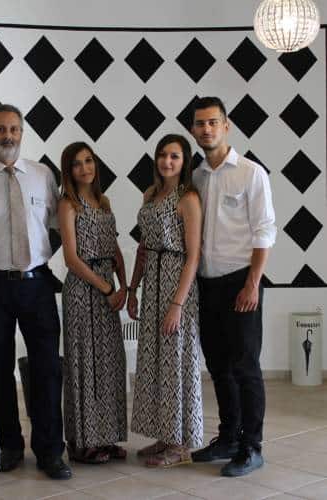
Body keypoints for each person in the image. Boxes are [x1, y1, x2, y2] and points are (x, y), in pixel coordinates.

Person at [0, 104, 71, 480]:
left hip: (37, 284)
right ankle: (9, 445)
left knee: (47, 369)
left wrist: (39, 259)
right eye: (0, 129)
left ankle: (50, 451)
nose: (7, 136)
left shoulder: (43, 175)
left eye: (13, 129)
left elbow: (58, 226)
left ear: (22, 132)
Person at [190, 96, 276, 477]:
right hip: (207, 285)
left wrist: (253, 284)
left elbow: (265, 231)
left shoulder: (251, 173)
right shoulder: (196, 177)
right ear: (193, 130)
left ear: (226, 126)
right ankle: (228, 437)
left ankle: (252, 447)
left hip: (241, 282)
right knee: (218, 367)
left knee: (245, 367)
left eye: (213, 122)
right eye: (200, 123)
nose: (206, 129)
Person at [127, 134, 203, 467]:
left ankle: (180, 444)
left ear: (184, 161)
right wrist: (133, 288)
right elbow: (144, 247)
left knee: (175, 360)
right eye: (162, 155)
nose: (167, 161)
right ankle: (164, 433)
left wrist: (177, 305)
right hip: (152, 283)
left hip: (176, 283)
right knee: (155, 360)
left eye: (174, 156)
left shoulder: (188, 198)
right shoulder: (150, 194)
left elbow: (193, 255)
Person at [58, 142, 128, 464]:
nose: (85, 168)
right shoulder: (68, 205)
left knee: (109, 364)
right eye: (77, 164)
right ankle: (82, 442)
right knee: (84, 366)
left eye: (88, 161)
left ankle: (106, 436)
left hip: (108, 288)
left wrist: (125, 286)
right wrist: (106, 288)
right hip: (83, 291)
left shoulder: (104, 201)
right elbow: (71, 258)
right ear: (68, 170)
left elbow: (114, 249)